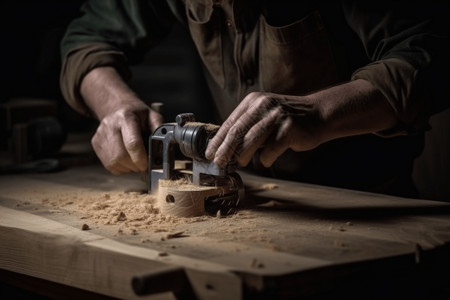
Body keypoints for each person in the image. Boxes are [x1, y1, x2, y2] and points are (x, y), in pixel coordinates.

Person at [60, 0, 448, 198]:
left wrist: (318, 112)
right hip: (247, 196)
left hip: (364, 201)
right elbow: (87, 39)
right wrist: (113, 104)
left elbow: (430, 55)